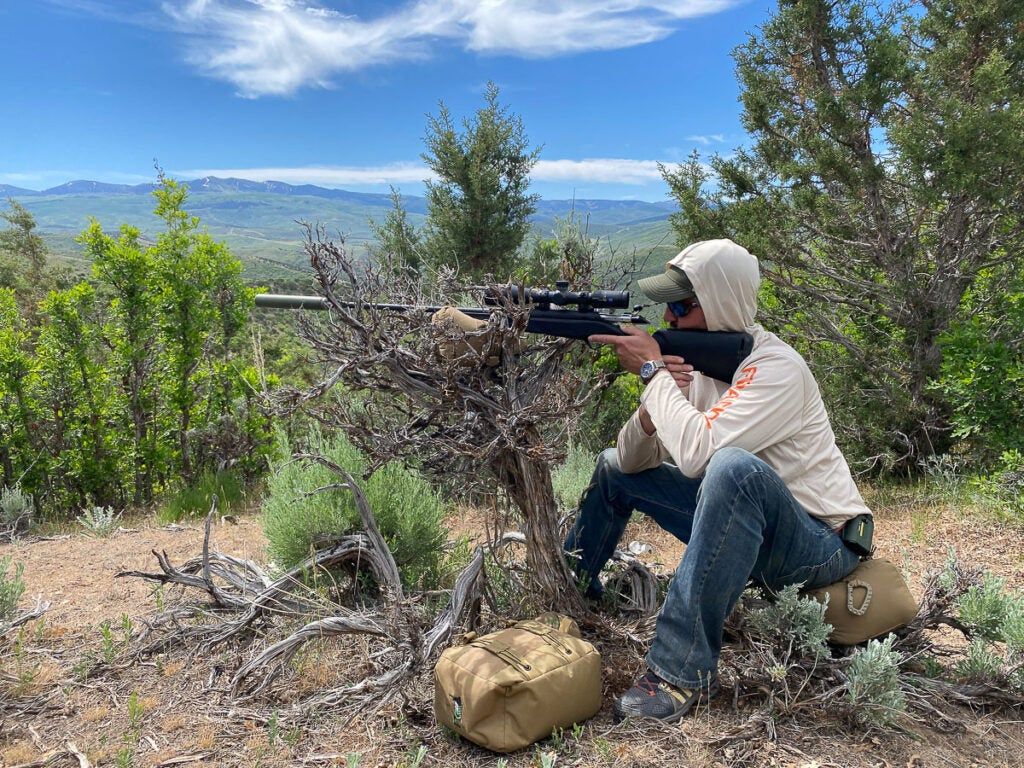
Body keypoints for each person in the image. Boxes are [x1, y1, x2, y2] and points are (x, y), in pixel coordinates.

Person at [565, 238, 872, 723]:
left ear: (720, 304)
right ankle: (572, 592)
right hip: (746, 525)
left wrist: (652, 373)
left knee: (732, 468)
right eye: (667, 306)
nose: (668, 318)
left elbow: (699, 455)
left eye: (681, 306)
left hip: (820, 541)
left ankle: (677, 672)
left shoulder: (777, 369)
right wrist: (652, 408)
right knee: (609, 467)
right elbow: (627, 461)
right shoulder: (699, 364)